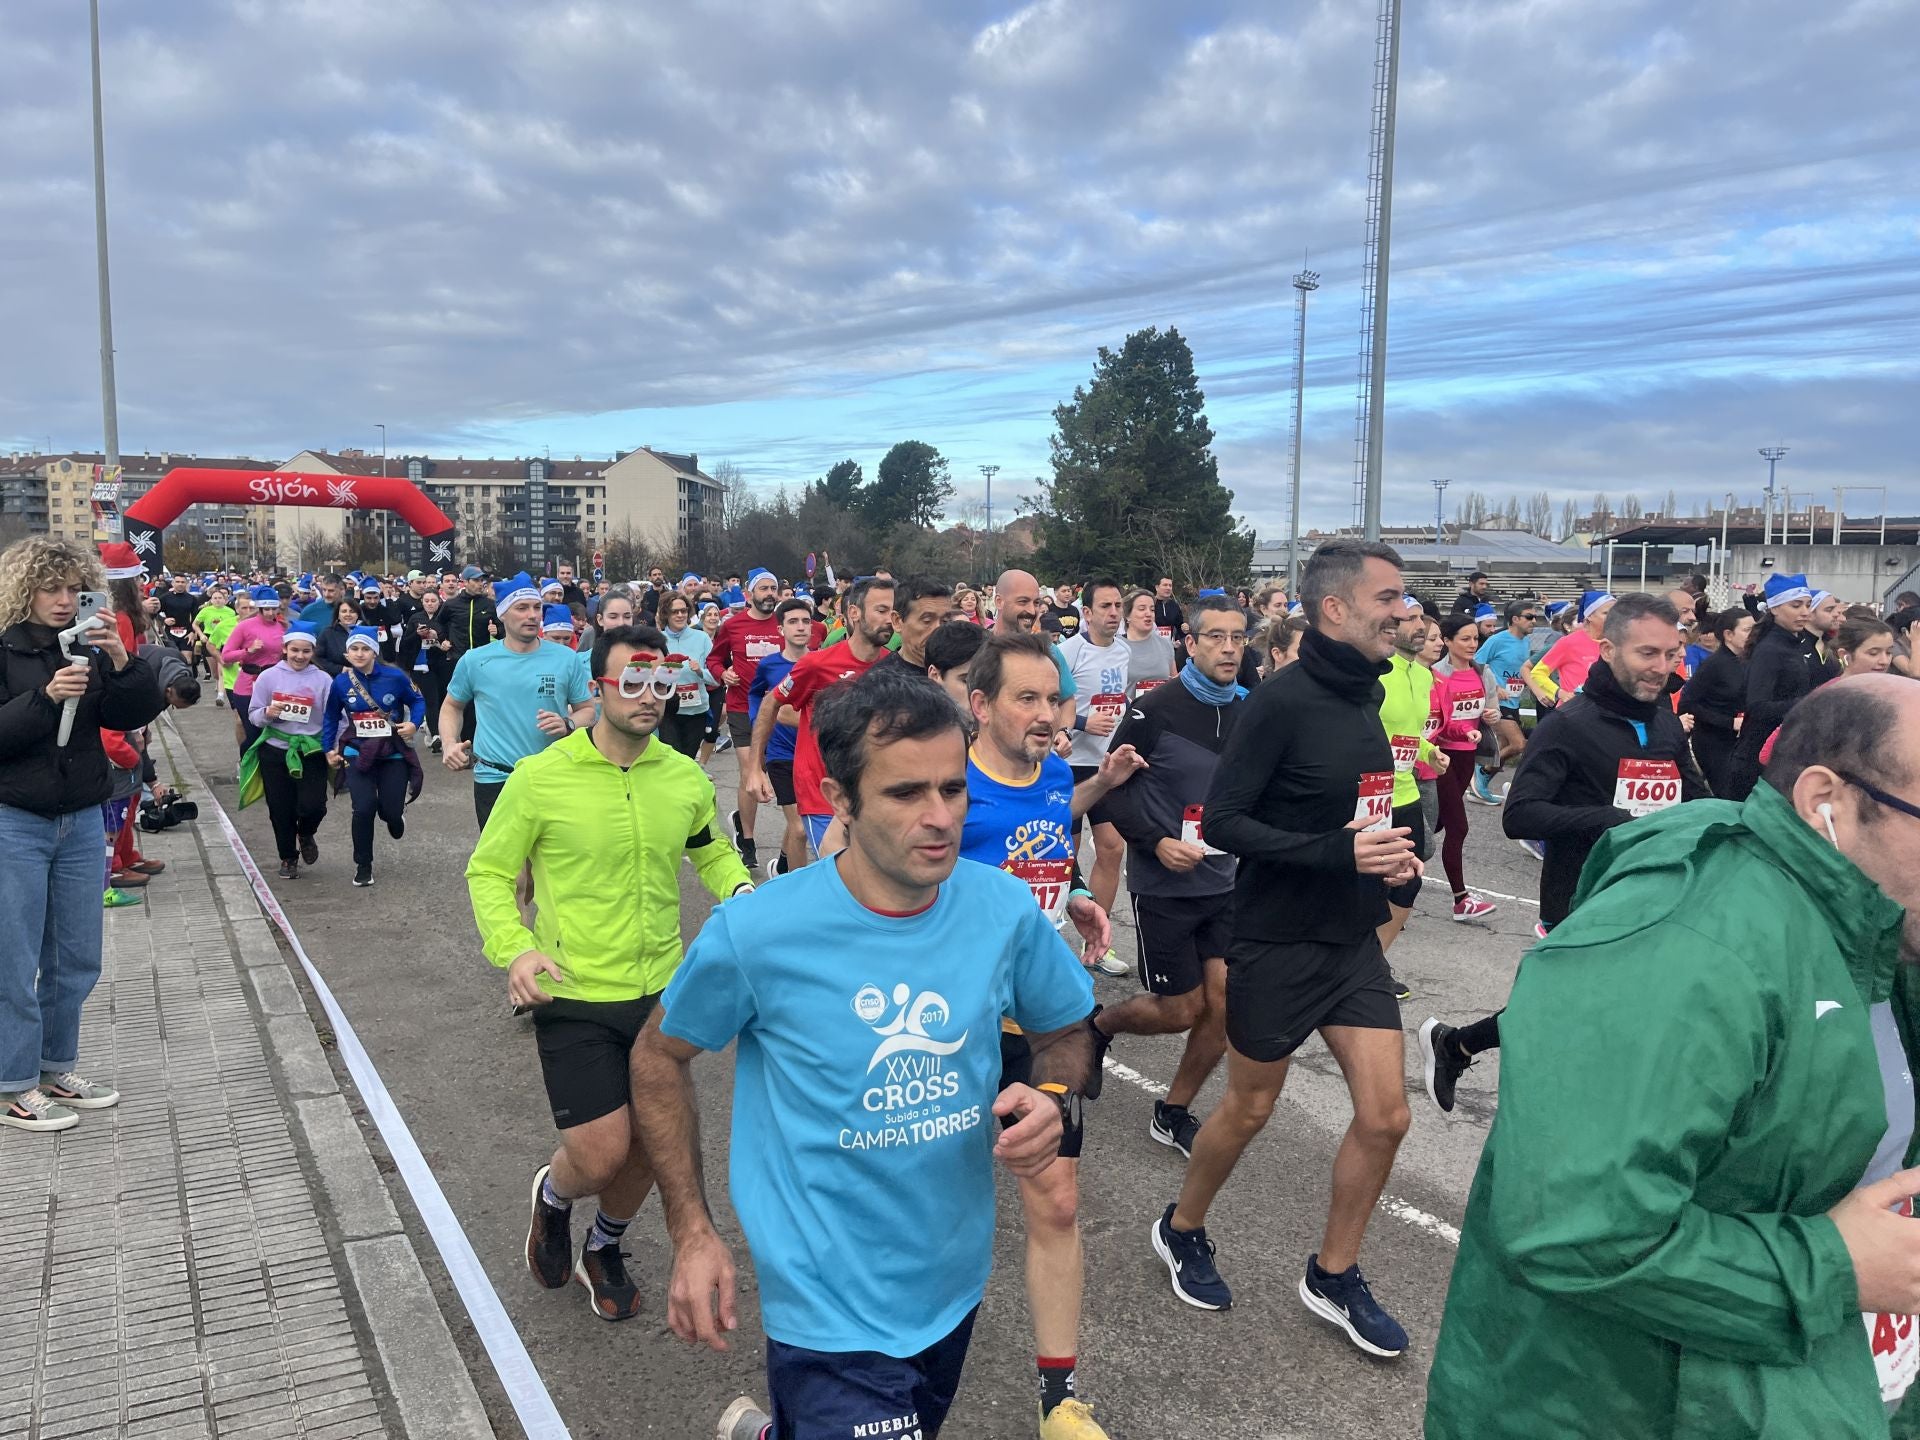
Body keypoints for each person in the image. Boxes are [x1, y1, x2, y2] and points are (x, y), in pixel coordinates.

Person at [1427, 674, 1920, 1438]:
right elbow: (1576, 1224)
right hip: (1641, 1403)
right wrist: (1832, 1267)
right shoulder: (1685, 942)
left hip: (1820, 1386)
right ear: (1827, 802)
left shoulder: (1879, 933)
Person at [630, 666, 1096, 1440]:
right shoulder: (760, 934)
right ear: (841, 801)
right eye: (905, 794)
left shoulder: (1001, 908)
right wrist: (692, 1230)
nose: (940, 816)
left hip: (950, 1280)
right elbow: (658, 1056)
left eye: (952, 789)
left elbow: (1068, 1031)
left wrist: (1050, 1098)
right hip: (824, 1302)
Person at [1150, 540, 1418, 1356]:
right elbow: (1227, 823)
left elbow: (1350, 806)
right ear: (1334, 609)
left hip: (1348, 942)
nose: (1403, 612)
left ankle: (1333, 1275)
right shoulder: (1281, 701)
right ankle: (1182, 1226)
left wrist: (1390, 858)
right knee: (1249, 1107)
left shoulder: (1367, 696)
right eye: (1390, 598)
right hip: (1273, 939)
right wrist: (1339, 850)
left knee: (1388, 1115)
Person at [469, 623, 751, 1324]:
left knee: (660, 1146)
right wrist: (516, 949)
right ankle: (557, 1196)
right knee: (600, 1154)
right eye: (633, 681)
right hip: (574, 987)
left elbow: (708, 851)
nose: (650, 697)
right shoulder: (540, 777)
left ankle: (606, 1244)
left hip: (662, 990)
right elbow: (490, 872)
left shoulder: (683, 776)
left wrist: (743, 894)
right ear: (596, 686)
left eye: (663, 683)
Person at [1418, 594, 1709, 1110]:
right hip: (1580, 897)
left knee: (1585, 1005)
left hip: (1652, 892)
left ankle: (1456, 1043)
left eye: (1671, 654)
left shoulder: (1664, 723)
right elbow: (1520, 816)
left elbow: (1695, 797)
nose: (1661, 667)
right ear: (1607, 648)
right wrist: (1614, 819)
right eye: (1647, 654)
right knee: (1591, 1011)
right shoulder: (1569, 724)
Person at [960, 629, 1134, 1440]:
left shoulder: (1057, 775)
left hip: (1037, 1028)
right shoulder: (946, 787)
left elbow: (1042, 863)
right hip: (946, 1030)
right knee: (925, 1203)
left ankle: (1058, 1397)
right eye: (1026, 699)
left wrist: (1074, 901)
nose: (1046, 715)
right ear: (980, 705)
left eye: (1053, 699)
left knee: (1056, 1201)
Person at [0, 536, 161, 1132]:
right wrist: (44, 699)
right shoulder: (4, 649)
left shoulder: (89, 645)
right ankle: (10, 1083)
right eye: (51, 588)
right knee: (13, 959)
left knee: (76, 956)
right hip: (14, 819)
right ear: (24, 590)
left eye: (73, 588)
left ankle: (52, 1066)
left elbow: (128, 714)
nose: (65, 600)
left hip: (81, 817)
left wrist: (122, 659)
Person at [1090, 595, 1247, 1158]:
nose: (1229, 648)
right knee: (1180, 1009)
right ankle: (1101, 1026)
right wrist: (1156, 842)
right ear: (1190, 643)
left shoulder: (1251, 711)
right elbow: (1110, 795)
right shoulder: (1154, 710)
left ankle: (1172, 1109)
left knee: (1225, 1003)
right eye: (1216, 638)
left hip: (1226, 880)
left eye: (1237, 637)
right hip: (1165, 884)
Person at [742, 578, 896, 859]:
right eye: (881, 610)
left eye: (893, 613)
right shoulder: (817, 664)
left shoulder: (892, 667)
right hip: (821, 794)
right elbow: (771, 702)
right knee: (840, 878)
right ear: (854, 613)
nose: (889, 620)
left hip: (872, 795)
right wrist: (755, 767)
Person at [439, 573, 594, 831]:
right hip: (495, 777)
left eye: (536, 608)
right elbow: (452, 706)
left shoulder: (565, 659)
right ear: (502, 614)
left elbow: (588, 711)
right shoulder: (475, 660)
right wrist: (449, 744)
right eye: (521, 608)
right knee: (505, 868)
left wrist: (568, 723)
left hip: (552, 776)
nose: (532, 615)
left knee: (549, 866)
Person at [1058, 578, 1133, 974]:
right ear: (1085, 613)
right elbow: (1049, 703)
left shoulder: (1123, 651)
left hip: (1104, 767)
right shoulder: (1067, 652)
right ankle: (1053, 936)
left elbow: (1124, 699)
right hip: (1069, 766)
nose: (1113, 613)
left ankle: (1098, 942)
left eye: (1118, 605)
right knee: (1063, 858)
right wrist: (1084, 722)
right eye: (1105, 606)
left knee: (1112, 848)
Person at [323, 627, 425, 887]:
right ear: (347, 653)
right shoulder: (341, 683)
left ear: (374, 652)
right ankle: (363, 864)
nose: (359, 654)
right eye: (354, 649)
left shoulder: (395, 677)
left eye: (365, 649)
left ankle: (394, 816)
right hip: (357, 752)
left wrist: (414, 723)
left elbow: (417, 701)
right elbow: (331, 717)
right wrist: (329, 750)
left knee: (389, 810)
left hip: (392, 753)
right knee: (363, 808)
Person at [1375, 596, 1445, 969]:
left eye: (1421, 618)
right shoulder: (1374, 671)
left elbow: (1407, 734)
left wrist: (1429, 752)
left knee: (1408, 882)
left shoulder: (1422, 674)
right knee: (1368, 885)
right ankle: (1356, 969)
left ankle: (1372, 963)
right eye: (1411, 619)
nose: (1420, 626)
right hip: (1368, 796)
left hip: (1406, 792)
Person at [1725, 571, 1828, 802]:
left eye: (1808, 605)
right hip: (1759, 758)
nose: (1804, 612)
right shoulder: (1770, 649)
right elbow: (1758, 705)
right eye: (1796, 605)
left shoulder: (1793, 644)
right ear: (1774, 608)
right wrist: (1808, 704)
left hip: (1781, 750)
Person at [244, 623, 335, 880]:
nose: (299, 656)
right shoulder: (268, 677)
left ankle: (306, 833)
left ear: (312, 651)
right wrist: (267, 713)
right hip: (275, 750)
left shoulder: (322, 679)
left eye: (306, 651)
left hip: (310, 749)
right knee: (280, 808)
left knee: (314, 805)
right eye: (294, 650)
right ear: (285, 649)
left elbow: (335, 717)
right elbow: (254, 715)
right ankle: (287, 857)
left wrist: (334, 745)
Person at [708, 567, 784, 870]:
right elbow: (714, 659)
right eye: (763, 589)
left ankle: (741, 818)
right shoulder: (733, 626)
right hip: (741, 707)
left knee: (767, 772)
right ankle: (749, 841)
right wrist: (722, 673)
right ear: (749, 594)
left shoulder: (785, 624)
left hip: (779, 710)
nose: (769, 594)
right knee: (749, 772)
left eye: (772, 588)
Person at [1430, 615, 1502, 923]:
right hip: (1439, 755)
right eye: (1465, 639)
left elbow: (1493, 710)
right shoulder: (1435, 673)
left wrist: (1492, 715)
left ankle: (1387, 880)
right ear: (1447, 641)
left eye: (1475, 639)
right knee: (1458, 826)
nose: (1473, 644)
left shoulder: (1482, 672)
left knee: (1434, 824)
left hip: (1467, 756)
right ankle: (1461, 900)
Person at [747, 597, 815, 879]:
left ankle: (784, 864)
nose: (800, 627)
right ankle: (798, 891)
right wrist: (759, 724)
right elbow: (755, 695)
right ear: (780, 630)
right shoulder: (769, 665)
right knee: (799, 828)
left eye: (806, 621)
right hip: (781, 755)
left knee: (802, 820)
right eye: (793, 622)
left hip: (813, 754)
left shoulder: (822, 661)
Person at [1678, 605, 1754, 796]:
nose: (1754, 634)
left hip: (1740, 742)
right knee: (1728, 796)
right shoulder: (1715, 665)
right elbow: (1688, 703)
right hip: (1714, 743)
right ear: (1729, 634)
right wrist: (1729, 722)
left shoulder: (1748, 661)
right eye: (1747, 630)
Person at [1471, 599, 1539, 804]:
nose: (1534, 621)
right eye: (1529, 617)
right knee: (1519, 744)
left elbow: (1521, 671)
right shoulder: (1497, 640)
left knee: (1502, 748)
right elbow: (1476, 663)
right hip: (1496, 702)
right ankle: (1480, 772)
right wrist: (1496, 687)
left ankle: (1479, 787)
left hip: (1514, 701)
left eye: (1535, 617)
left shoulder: (1526, 642)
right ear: (1515, 619)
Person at [221, 585, 288, 752]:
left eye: (274, 609)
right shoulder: (245, 626)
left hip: (275, 685)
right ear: (259, 607)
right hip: (248, 685)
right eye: (266, 609)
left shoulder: (283, 627)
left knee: (273, 734)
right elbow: (226, 655)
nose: (270, 613)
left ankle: (268, 773)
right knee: (252, 734)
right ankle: (246, 768)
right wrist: (248, 651)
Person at [1528, 589, 1615, 704]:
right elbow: (1537, 673)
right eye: (1606, 613)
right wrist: (1560, 693)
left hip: (1605, 711)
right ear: (1589, 616)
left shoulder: (1618, 642)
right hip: (1573, 712)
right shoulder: (1568, 642)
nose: (1612, 617)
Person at [653, 592, 709, 760]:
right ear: (665, 614)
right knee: (673, 756)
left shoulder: (702, 638)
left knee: (688, 758)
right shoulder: (657, 640)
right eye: (674, 611)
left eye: (683, 611)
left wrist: (700, 671)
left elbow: (715, 676)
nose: (680, 615)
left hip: (696, 709)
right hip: (668, 709)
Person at [399, 587, 454, 752]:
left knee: (444, 699)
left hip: (442, 663)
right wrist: (417, 634)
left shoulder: (445, 618)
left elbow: (452, 637)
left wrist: (439, 638)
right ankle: (437, 735)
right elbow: (405, 643)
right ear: (422, 602)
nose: (430, 604)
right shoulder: (416, 618)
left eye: (433, 601)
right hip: (421, 665)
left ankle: (438, 732)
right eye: (427, 601)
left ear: (439, 601)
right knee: (431, 699)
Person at [1121, 589, 1176, 696]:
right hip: (1130, 711)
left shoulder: (1165, 644)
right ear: (1127, 616)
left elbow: (1174, 681)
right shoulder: (1117, 646)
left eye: (1152, 610)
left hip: (1161, 710)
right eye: (1142, 609)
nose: (1148, 614)